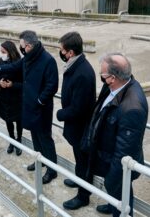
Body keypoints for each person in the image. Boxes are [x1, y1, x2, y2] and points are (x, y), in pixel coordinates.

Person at [0, 30, 59, 184]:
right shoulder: (28, 58)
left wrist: (39, 101)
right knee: (35, 136)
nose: (21, 48)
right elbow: (13, 66)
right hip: (29, 106)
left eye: (22, 45)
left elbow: (52, 86)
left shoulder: (48, 60)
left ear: (29, 46)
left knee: (45, 138)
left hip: (41, 108)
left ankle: (52, 170)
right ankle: (40, 161)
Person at [85, 53, 148, 216]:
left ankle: (118, 210)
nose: (101, 77)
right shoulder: (117, 86)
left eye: (102, 75)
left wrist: (110, 180)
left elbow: (124, 152)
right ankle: (112, 204)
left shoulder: (132, 108)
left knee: (121, 193)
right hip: (108, 155)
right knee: (118, 194)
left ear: (112, 78)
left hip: (118, 164)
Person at [56, 32, 96, 210]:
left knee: (84, 162)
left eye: (61, 50)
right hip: (76, 126)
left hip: (81, 127)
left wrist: (60, 114)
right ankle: (80, 180)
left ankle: (83, 196)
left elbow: (79, 109)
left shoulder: (82, 73)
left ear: (70, 52)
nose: (60, 53)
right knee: (80, 161)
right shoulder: (76, 65)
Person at [0, 41, 23, 156]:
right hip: (4, 97)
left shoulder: (19, 63)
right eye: (1, 52)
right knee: (8, 119)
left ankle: (19, 140)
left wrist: (12, 85)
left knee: (19, 120)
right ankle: (12, 140)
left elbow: (24, 83)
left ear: (10, 51)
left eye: (3, 52)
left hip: (17, 97)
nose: (2, 54)